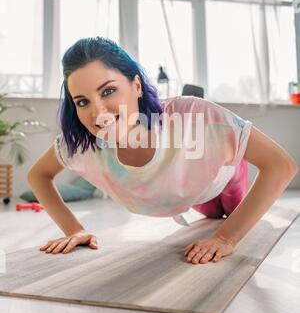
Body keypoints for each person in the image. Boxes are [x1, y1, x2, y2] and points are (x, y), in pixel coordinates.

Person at [28, 37, 298, 264]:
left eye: (108, 91)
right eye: (83, 101)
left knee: (229, 214)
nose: (98, 112)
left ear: (136, 86)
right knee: (213, 215)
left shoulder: (193, 114)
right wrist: (73, 229)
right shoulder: (81, 144)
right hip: (185, 193)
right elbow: (38, 175)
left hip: (221, 174)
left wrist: (226, 238)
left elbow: (281, 165)